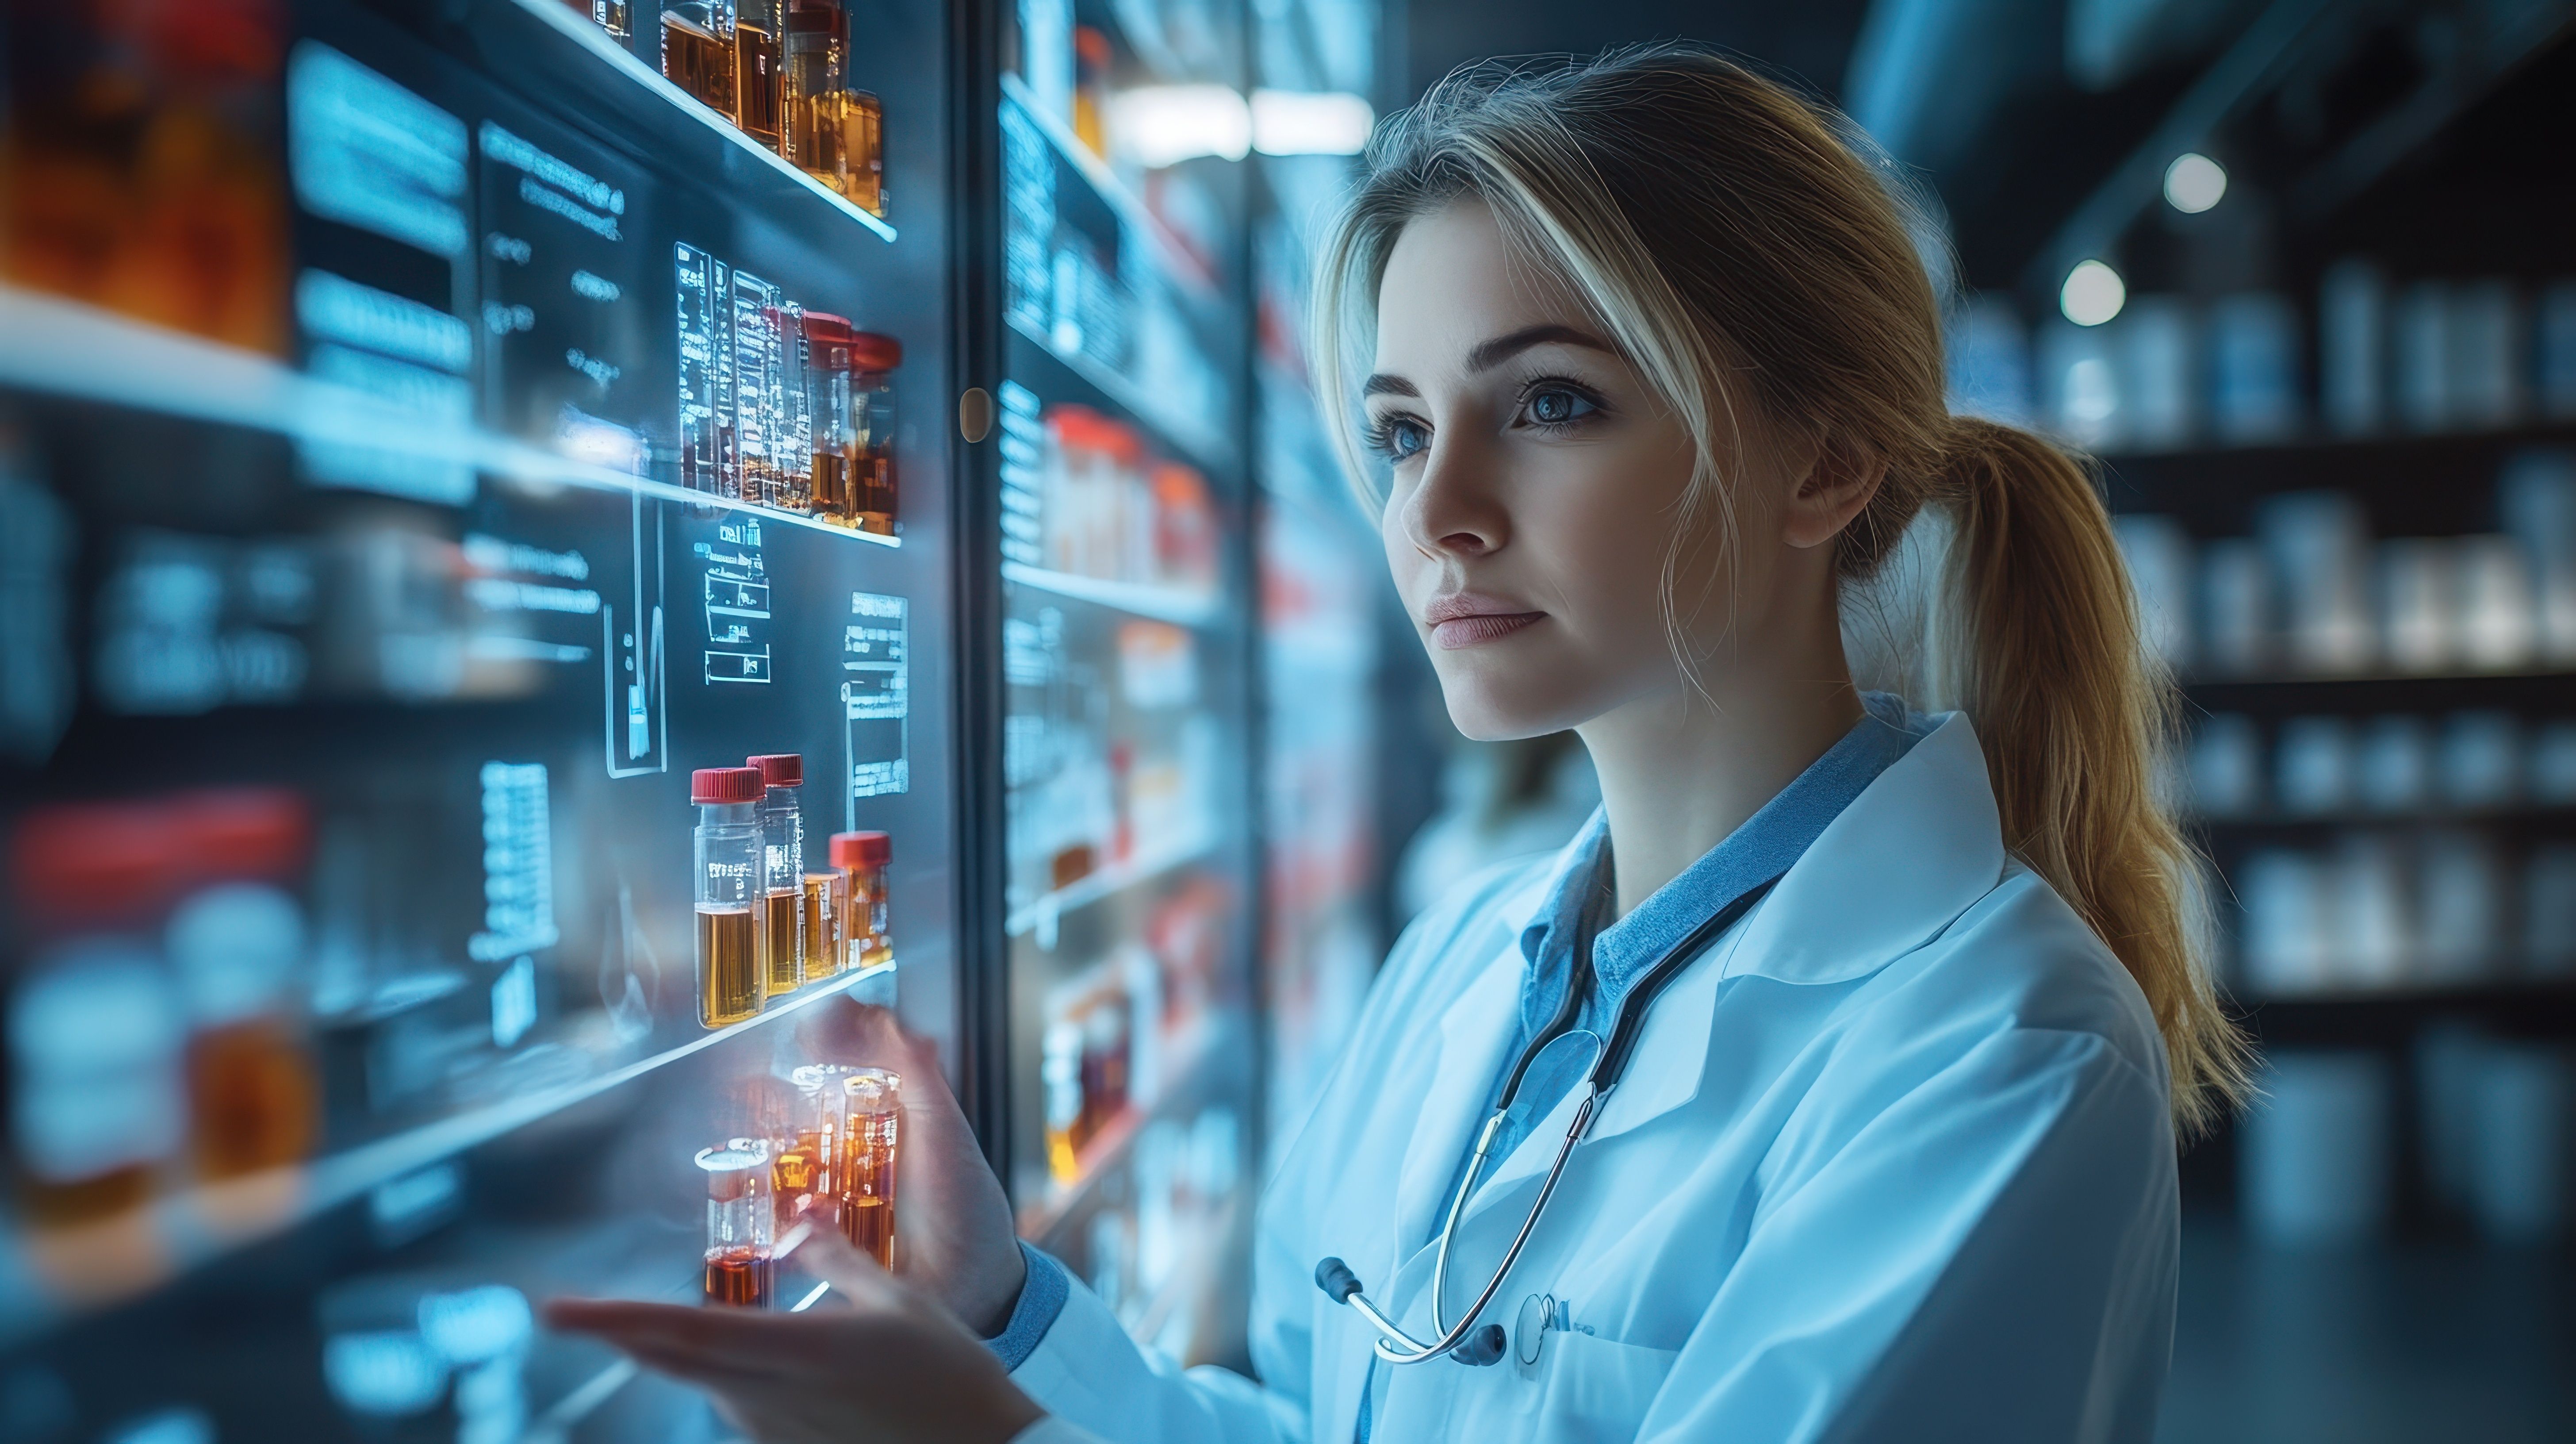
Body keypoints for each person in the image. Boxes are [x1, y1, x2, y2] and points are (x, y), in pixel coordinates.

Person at [548, 44, 2250, 1444]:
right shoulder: (1463, 971)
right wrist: (1009, 1315)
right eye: (1399, 428)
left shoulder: (2000, 1055)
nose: (1436, 513)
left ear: (1823, 463)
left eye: (1554, 404)